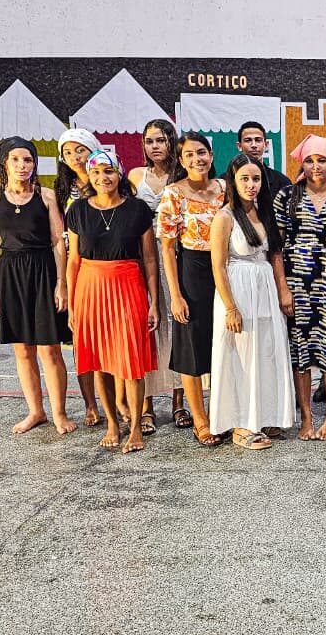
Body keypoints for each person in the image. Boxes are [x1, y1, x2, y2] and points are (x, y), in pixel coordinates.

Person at [65, 149, 158, 454]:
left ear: (119, 173)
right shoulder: (78, 210)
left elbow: (149, 259)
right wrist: (72, 304)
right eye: (96, 172)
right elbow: (73, 260)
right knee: (99, 361)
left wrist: (154, 302)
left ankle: (136, 428)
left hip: (128, 285)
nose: (102, 177)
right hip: (90, 288)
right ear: (89, 176)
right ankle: (112, 424)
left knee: (131, 360)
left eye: (108, 171)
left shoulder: (138, 209)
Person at [0, 137, 75, 435]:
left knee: (50, 349)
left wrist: (61, 284)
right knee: (23, 351)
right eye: (16, 160)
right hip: (10, 274)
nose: (22, 165)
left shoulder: (46, 196)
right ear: (5, 164)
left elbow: (58, 243)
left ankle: (59, 413)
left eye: (28, 160)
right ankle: (36, 411)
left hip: (43, 271)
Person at [274, 135, 326, 441]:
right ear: (302, 163)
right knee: (301, 353)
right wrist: (283, 289)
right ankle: (307, 417)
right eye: (309, 160)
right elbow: (276, 249)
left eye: (322, 160)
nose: (316, 166)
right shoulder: (287, 197)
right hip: (297, 287)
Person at [210, 153, 295, 449]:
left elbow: (274, 256)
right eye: (244, 179)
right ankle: (241, 424)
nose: (251, 185)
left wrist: (283, 291)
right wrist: (231, 307)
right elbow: (218, 266)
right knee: (240, 357)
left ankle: (265, 415)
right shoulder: (224, 217)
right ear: (233, 181)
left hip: (265, 288)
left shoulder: (264, 213)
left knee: (266, 351)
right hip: (238, 290)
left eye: (256, 179)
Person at [156, 132, 225, 447]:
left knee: (224, 346)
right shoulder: (174, 194)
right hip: (192, 272)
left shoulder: (224, 189)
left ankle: (222, 413)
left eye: (202, 152)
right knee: (192, 349)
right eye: (189, 155)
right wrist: (176, 295)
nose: (197, 159)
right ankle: (200, 419)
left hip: (225, 270)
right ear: (181, 161)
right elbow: (167, 249)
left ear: (211, 155)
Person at [127, 118, 184, 435]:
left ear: (171, 141)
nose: (155, 146)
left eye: (161, 140)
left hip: (176, 255)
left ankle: (179, 401)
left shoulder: (183, 173)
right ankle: (146, 406)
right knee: (146, 329)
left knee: (177, 327)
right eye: (149, 141)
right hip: (143, 255)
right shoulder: (136, 176)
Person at [56, 127, 107, 426]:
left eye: (80, 150)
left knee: (110, 342)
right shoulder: (62, 189)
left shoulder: (106, 181)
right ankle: (90, 404)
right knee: (82, 342)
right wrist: (62, 281)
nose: (74, 157)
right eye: (68, 152)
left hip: (106, 266)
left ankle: (117, 400)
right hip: (76, 265)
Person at [237, 120, 291, 197]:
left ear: (266, 145)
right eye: (248, 140)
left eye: (258, 140)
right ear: (239, 146)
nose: (254, 145)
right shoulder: (226, 181)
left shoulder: (282, 182)